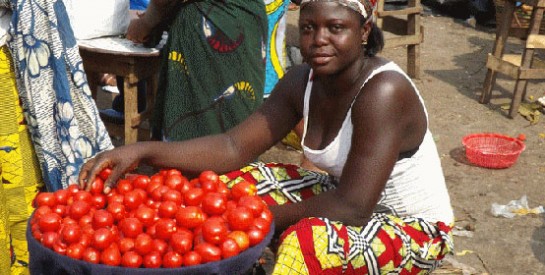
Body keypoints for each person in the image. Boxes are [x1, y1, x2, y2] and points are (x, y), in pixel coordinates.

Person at [80, 0, 454, 273]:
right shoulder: (301, 81)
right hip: (340, 193)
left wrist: (252, 219)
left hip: (412, 226)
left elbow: (353, 207)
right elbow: (232, 147)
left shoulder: (383, 92)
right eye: (308, 28)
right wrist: (143, 151)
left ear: (364, 32)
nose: (319, 39)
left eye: (335, 28)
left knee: (305, 245)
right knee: (228, 185)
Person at [125, 0, 267, 141]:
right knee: (235, 120)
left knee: (201, 130)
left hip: (211, 28)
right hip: (245, 21)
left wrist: (145, 24)